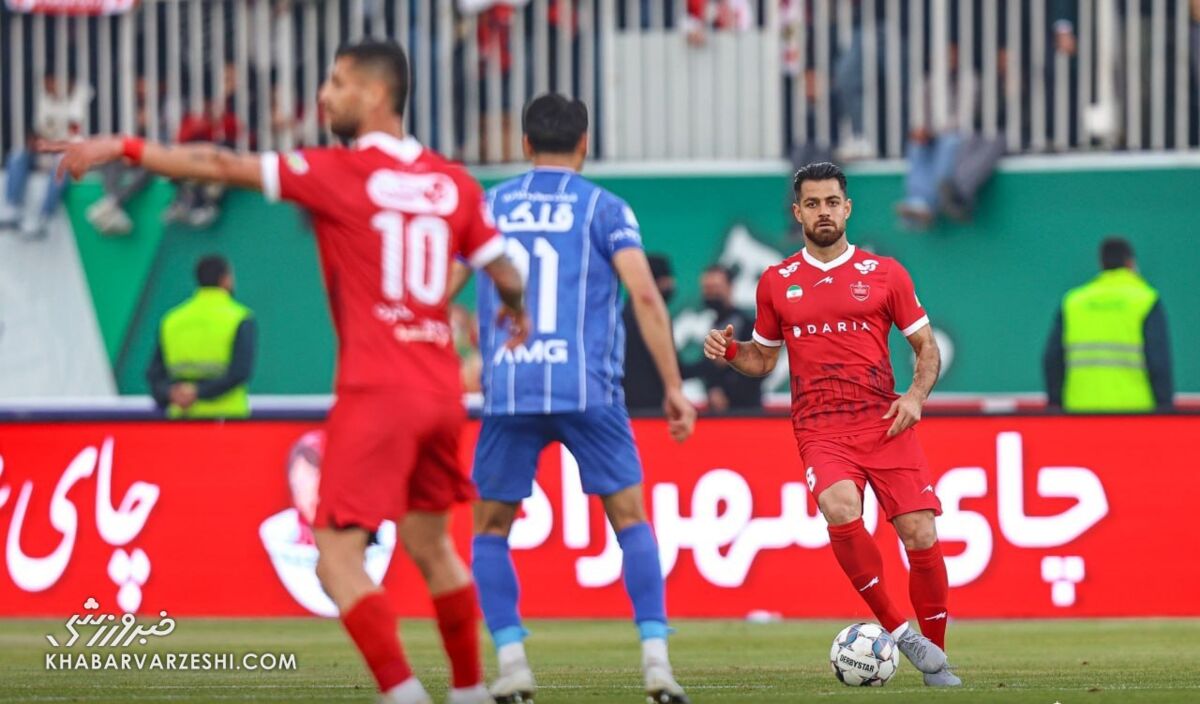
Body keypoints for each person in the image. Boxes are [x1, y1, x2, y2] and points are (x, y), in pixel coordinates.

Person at [46, 39, 528, 704]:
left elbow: (218, 162)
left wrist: (126, 147)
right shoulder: (455, 184)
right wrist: (516, 314)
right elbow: (505, 271)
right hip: (441, 390)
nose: (323, 96)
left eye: (336, 82)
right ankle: (470, 691)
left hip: (377, 389)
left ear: (376, 93)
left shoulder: (337, 172)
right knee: (433, 545)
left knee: (334, 556)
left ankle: (403, 693)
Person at [451, 93, 697, 704]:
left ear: (525, 144)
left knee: (490, 529)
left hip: (510, 389)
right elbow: (645, 296)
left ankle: (512, 664)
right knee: (631, 519)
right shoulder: (604, 208)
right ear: (585, 144)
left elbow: (440, 289)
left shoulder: (490, 205)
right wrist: (673, 386)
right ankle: (657, 663)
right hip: (588, 389)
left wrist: (456, 342)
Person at [702, 162, 960, 687]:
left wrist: (915, 397)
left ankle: (936, 658)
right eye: (813, 204)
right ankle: (900, 631)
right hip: (821, 427)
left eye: (832, 202)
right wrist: (729, 351)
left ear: (848, 208)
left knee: (920, 532)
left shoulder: (885, 273)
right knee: (840, 506)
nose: (824, 212)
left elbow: (925, 347)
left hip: (884, 421)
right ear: (798, 212)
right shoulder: (777, 282)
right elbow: (763, 359)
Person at [1043, 237, 1173, 412]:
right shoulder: (1145, 300)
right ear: (1130, 263)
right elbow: (1158, 362)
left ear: (1101, 263)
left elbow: (1053, 359)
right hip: (1135, 412)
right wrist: (1165, 407)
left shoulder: (1073, 302)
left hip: (1079, 412)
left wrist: (1056, 403)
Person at [146, 255, 257, 419]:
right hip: (228, 418)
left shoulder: (171, 320)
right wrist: (198, 392)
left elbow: (154, 374)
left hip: (183, 417)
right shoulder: (240, 317)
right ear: (225, 279)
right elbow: (240, 372)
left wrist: (171, 393)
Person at [0, 75, 89, 239]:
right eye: (47, 81)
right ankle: (12, 207)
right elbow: (38, 130)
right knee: (17, 155)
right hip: (45, 149)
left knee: (62, 161)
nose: (49, 85)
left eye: (53, 80)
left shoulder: (81, 98)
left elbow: (77, 135)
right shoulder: (41, 97)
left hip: (68, 151)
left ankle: (45, 216)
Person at [691, 264, 761, 412]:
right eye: (707, 288)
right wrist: (713, 388)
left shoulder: (747, 325)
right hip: (719, 410)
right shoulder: (713, 323)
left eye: (715, 287)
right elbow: (709, 367)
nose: (711, 293)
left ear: (730, 287)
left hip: (745, 410)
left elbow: (760, 367)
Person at [622, 253, 679, 411]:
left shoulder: (622, 314)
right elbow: (674, 365)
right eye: (668, 280)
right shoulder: (653, 318)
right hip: (651, 407)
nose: (672, 284)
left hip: (625, 403)